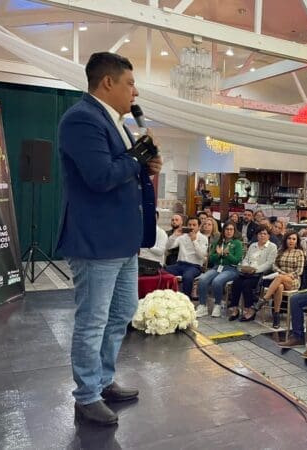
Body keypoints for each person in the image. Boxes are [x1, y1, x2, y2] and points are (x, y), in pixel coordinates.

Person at [57, 52, 162, 425]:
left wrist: (145, 166)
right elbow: (101, 176)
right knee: (93, 320)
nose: (135, 91)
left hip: (122, 240)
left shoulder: (116, 122)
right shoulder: (82, 119)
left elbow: (125, 170)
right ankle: (86, 395)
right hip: (97, 240)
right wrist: (136, 159)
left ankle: (102, 380)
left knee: (121, 313)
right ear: (107, 82)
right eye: (130, 83)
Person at [227, 225, 277, 322]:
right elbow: (246, 259)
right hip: (247, 272)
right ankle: (235, 309)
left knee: (247, 284)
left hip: (260, 274)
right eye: (260, 234)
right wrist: (245, 267)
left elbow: (270, 263)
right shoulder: (253, 245)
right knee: (236, 282)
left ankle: (249, 310)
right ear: (257, 235)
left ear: (268, 236)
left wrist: (255, 270)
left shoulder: (272, 247)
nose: (262, 236)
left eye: (265, 234)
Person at [196, 221, 243, 318]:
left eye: (231, 229)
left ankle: (217, 305)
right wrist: (218, 254)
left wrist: (227, 254)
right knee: (202, 279)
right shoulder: (218, 242)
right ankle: (202, 305)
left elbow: (237, 260)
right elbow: (211, 259)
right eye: (227, 229)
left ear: (234, 231)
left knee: (217, 281)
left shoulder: (237, 243)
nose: (229, 231)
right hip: (217, 267)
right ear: (223, 231)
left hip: (231, 269)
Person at [258, 231, 305, 328]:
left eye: (294, 239)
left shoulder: (299, 252)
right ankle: (276, 317)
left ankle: (264, 299)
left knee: (279, 278)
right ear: (285, 240)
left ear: (297, 241)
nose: (291, 241)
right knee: (279, 286)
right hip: (280, 279)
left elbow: (299, 271)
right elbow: (274, 266)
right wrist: (283, 274)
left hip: (293, 280)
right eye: (289, 238)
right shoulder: (281, 250)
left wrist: (287, 275)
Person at [165, 217, 209, 297]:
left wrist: (194, 241)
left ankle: (186, 299)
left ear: (199, 227)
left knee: (187, 277)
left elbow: (201, 256)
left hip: (194, 266)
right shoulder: (182, 236)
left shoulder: (203, 238)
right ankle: (166, 296)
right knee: (162, 271)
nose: (191, 227)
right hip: (180, 264)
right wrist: (174, 235)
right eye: (189, 225)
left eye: (194, 225)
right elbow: (168, 247)